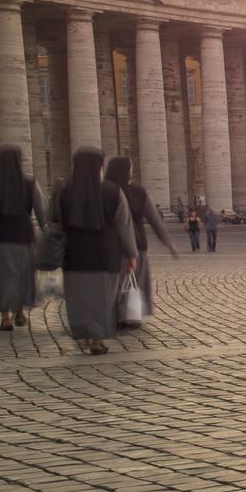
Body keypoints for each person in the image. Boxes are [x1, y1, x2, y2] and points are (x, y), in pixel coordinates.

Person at [51, 148, 138, 356]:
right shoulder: (113, 191)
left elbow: (54, 221)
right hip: (106, 255)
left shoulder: (63, 191)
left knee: (79, 296)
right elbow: (124, 226)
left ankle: (87, 333)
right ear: (100, 166)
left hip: (74, 254)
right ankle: (97, 340)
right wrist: (131, 254)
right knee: (104, 297)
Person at [103, 156, 176, 323]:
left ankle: (113, 313)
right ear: (127, 171)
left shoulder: (103, 191)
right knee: (136, 281)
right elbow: (154, 219)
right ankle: (131, 314)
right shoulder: (138, 192)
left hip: (110, 245)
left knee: (113, 282)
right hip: (136, 245)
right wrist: (167, 241)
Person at [0, 147, 44, 332]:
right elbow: (41, 210)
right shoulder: (29, 182)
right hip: (22, 237)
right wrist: (46, 229)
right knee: (21, 275)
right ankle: (19, 311)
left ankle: (5, 317)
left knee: (1, 276)